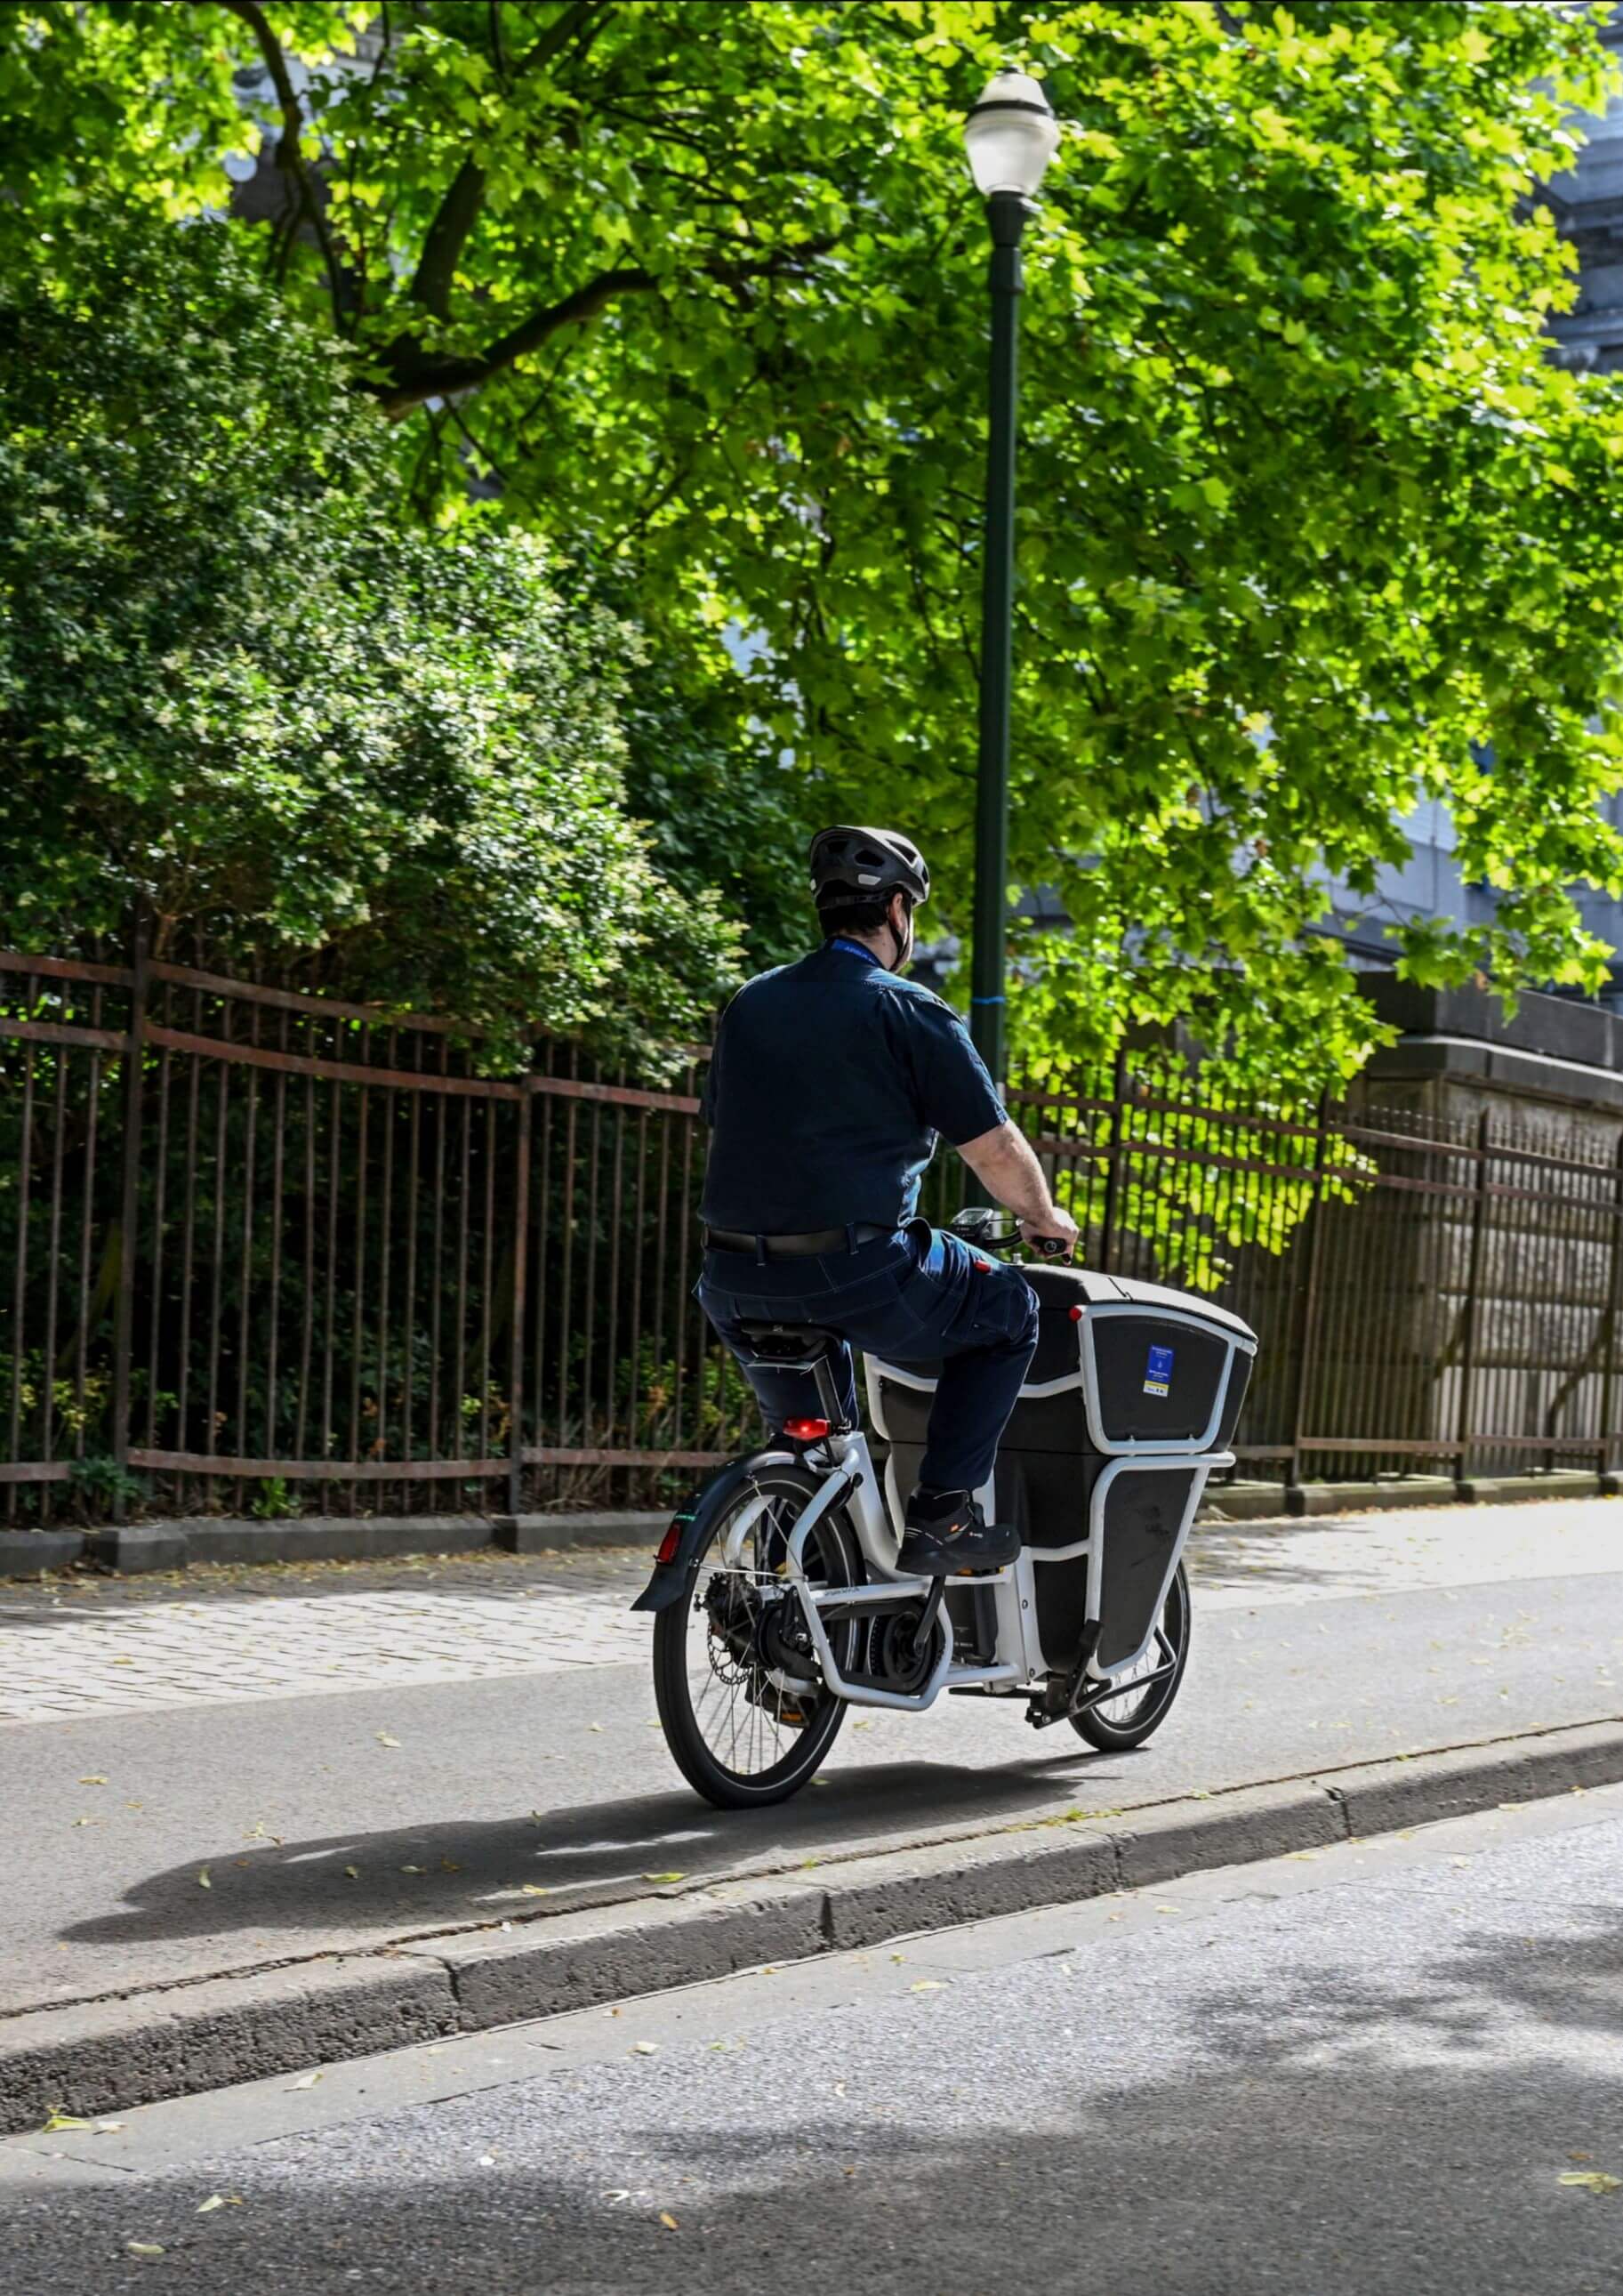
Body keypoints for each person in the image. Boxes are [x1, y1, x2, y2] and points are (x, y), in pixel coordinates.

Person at [696, 825, 1080, 1575]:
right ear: (898, 909)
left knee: (813, 1445)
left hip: (731, 1280)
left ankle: (787, 1589)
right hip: (859, 1269)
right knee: (1006, 1312)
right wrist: (1042, 1217)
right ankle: (941, 1517)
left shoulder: (751, 1004)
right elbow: (993, 1148)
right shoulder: (907, 1009)